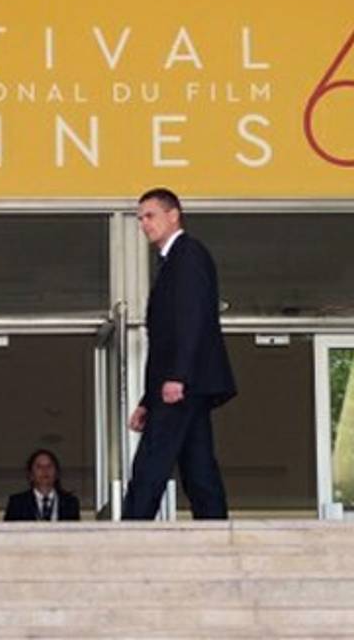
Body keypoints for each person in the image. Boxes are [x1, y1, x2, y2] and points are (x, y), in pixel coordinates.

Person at [122, 188, 236, 520]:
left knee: (152, 460)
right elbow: (167, 338)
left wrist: (178, 378)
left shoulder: (188, 255)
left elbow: (192, 319)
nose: (144, 224)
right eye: (140, 218)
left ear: (174, 215)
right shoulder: (174, 261)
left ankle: (128, 533)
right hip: (185, 384)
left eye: (150, 216)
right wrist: (146, 399)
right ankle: (216, 530)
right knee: (198, 464)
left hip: (183, 383)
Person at [3, 448, 80, 521]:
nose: (45, 470)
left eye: (49, 466)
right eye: (39, 467)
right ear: (30, 475)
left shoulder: (70, 503)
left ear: (57, 473)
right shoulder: (17, 503)